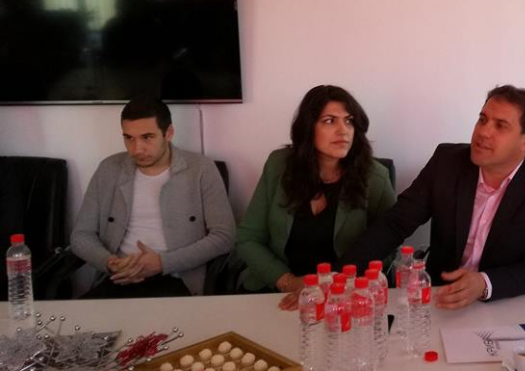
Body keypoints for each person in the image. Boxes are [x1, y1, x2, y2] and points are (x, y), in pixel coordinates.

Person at [341, 85, 525, 310]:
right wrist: (341, 274)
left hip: (509, 301)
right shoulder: (447, 162)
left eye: (500, 126)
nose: (483, 132)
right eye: (483, 119)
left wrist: (484, 283)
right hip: (444, 297)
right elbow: (396, 223)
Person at [236, 85, 396, 309]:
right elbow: (248, 238)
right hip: (276, 290)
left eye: (349, 121)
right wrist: (288, 281)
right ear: (307, 128)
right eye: (329, 121)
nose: (343, 131)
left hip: (342, 297)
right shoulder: (279, 166)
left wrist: (339, 284)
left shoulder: (374, 177)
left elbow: (388, 246)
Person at [71, 97, 236, 298]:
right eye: (129, 138)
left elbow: (225, 236)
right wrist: (110, 262)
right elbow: (81, 235)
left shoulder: (200, 169)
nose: (137, 149)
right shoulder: (109, 169)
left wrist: (162, 263)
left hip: (177, 278)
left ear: (169, 133)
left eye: (147, 137)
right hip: (119, 277)